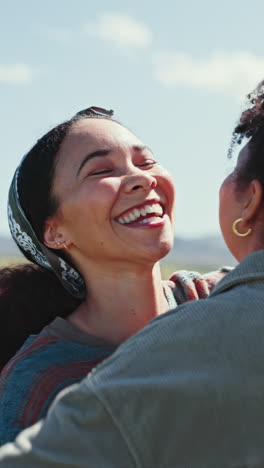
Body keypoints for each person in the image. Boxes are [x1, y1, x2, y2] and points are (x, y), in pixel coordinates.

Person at [0, 81, 263, 468]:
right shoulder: (37, 381)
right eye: (100, 171)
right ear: (55, 232)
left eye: (146, 162)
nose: (142, 179)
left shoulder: (225, 300)